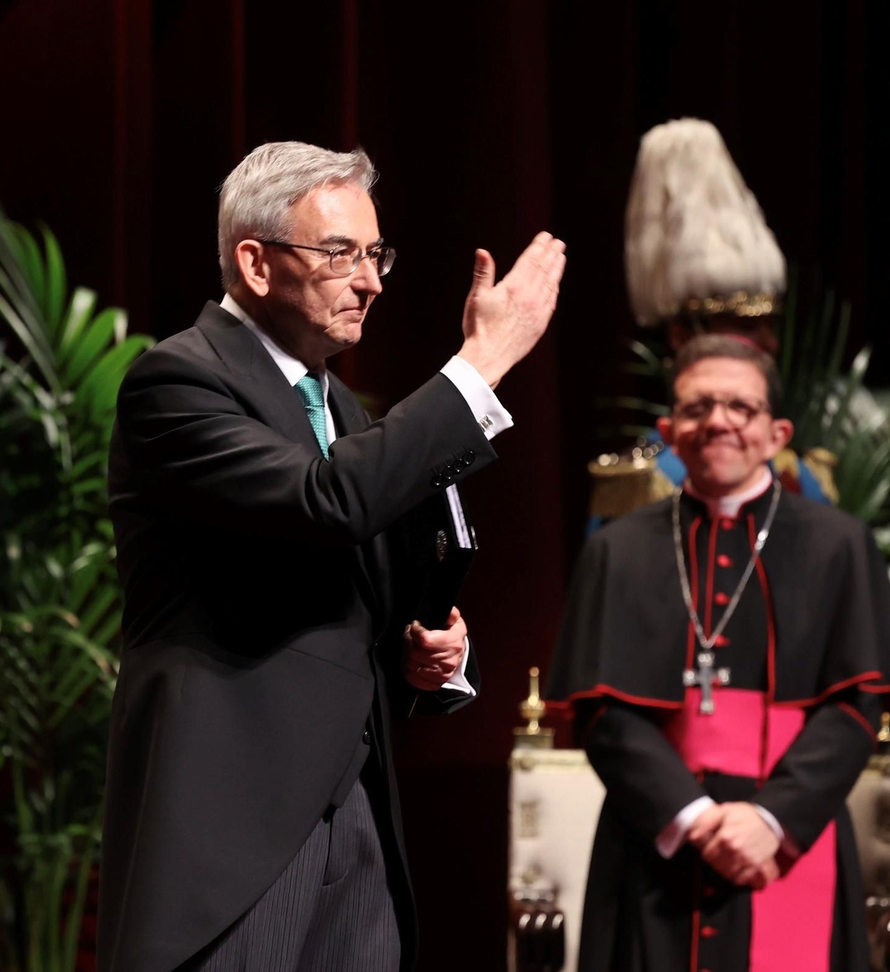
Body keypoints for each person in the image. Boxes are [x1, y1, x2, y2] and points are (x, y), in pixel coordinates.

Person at [99, 141, 565, 972]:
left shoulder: (338, 407)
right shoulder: (177, 383)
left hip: (355, 823)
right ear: (256, 262)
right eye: (340, 252)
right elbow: (328, 504)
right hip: (234, 839)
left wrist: (428, 655)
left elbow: (356, 595)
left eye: (375, 252)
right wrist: (482, 365)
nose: (372, 279)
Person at [547, 335, 890, 972]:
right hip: (656, 841)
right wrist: (691, 816)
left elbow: (857, 708)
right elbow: (601, 715)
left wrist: (771, 820)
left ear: (777, 433)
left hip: (790, 839)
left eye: (740, 408)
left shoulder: (839, 546)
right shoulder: (618, 550)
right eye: (698, 407)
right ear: (669, 430)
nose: (718, 421)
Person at [588, 119, 832, 532]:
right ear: (681, 336)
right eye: (743, 326)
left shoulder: (799, 473)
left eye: (769, 325)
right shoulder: (640, 483)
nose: (769, 342)